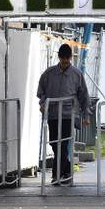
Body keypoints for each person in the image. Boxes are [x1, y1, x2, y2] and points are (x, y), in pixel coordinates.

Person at [37, 43, 91, 185]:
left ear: (71, 58)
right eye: (63, 59)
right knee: (55, 143)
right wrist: (42, 102)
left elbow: (84, 96)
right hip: (53, 114)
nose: (65, 62)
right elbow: (41, 90)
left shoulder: (77, 74)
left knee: (63, 143)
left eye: (67, 59)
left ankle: (56, 175)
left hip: (68, 114)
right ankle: (67, 169)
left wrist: (86, 115)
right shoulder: (48, 74)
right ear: (59, 57)